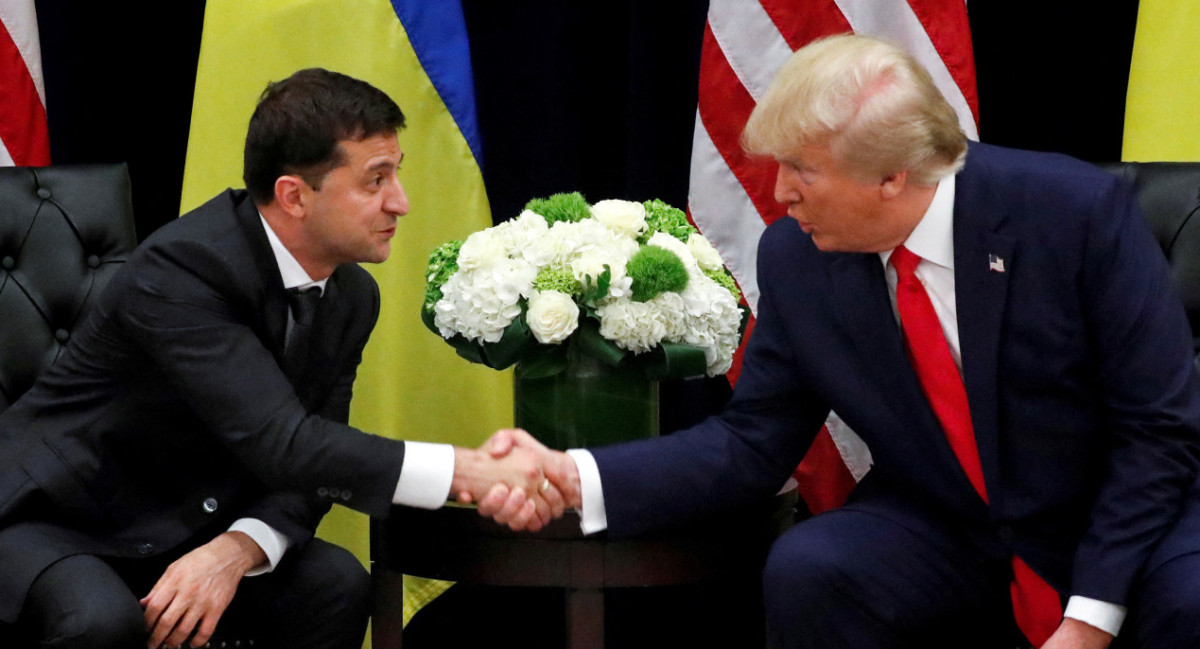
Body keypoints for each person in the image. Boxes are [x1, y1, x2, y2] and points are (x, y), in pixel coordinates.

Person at [480, 34, 1200, 649]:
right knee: (814, 566)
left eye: (803, 171)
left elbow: (1158, 433)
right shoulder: (798, 257)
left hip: (1121, 505)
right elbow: (750, 440)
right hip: (952, 518)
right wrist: (579, 475)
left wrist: (1092, 617)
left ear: (893, 176)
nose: (781, 194)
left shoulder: (1070, 214)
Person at [0, 68, 564, 649]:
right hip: (52, 519)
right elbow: (286, 442)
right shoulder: (183, 269)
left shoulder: (350, 296)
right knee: (100, 620)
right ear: (295, 194)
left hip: (185, 521)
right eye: (375, 180)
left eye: (397, 174)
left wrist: (236, 548)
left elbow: (314, 465)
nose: (402, 203)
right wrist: (466, 471)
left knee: (337, 585)